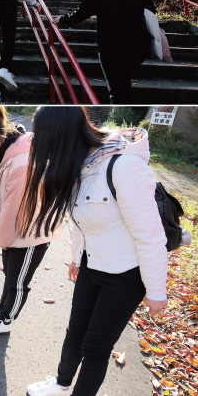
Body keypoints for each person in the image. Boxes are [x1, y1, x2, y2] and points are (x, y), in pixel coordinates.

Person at [23, 107, 167, 396]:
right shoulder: (80, 163)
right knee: (75, 333)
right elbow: (81, 220)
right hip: (93, 263)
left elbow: (150, 234)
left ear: (61, 137)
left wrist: (156, 291)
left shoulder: (123, 166)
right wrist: (77, 257)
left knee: (95, 348)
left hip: (127, 274)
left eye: (44, 139)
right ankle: (62, 385)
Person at [0, 106, 60, 336]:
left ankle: (6, 319)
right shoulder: (1, 156)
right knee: (10, 275)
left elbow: (13, 208)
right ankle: (1, 310)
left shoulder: (20, 162)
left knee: (18, 281)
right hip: (11, 234)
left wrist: (1, 238)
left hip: (30, 235)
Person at [54, 0, 155, 104]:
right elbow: (151, 11)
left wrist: (62, 19)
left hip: (112, 47)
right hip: (138, 47)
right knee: (123, 84)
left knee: (117, 90)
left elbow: (83, 12)